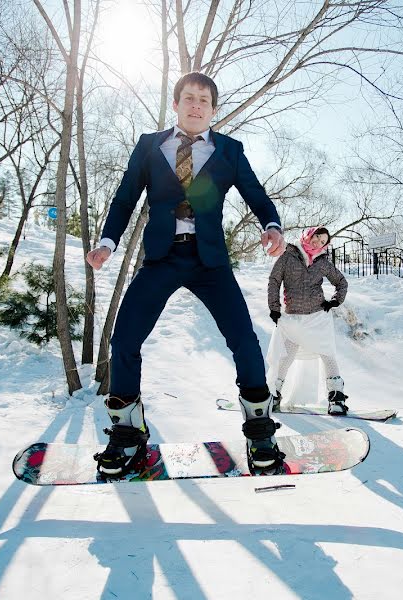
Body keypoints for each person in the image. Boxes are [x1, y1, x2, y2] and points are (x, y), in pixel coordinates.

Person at [85, 72, 287, 476]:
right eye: (189, 98)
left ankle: (260, 431)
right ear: (176, 104)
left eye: (204, 101)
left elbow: (256, 194)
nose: (196, 106)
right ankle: (127, 435)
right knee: (124, 339)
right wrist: (108, 241)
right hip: (161, 258)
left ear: (213, 110)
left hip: (210, 261)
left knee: (245, 341)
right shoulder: (149, 146)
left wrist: (271, 225)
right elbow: (125, 197)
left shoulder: (229, 150)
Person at [267, 226, 349, 415]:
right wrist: (274, 307)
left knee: (328, 355)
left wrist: (336, 300)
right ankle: (274, 395)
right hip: (293, 318)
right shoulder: (288, 255)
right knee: (285, 358)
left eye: (323, 242)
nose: (318, 243)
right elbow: (274, 281)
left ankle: (336, 397)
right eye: (317, 238)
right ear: (309, 235)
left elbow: (341, 282)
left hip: (318, 318)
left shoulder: (322, 262)